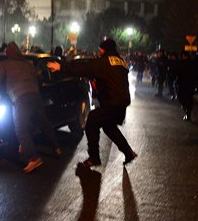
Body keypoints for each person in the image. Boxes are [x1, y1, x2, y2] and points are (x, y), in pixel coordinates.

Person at [47, 38, 137, 168]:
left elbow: (83, 69)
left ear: (104, 49)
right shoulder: (121, 62)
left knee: (91, 122)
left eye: (101, 49)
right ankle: (128, 152)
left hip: (112, 102)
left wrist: (61, 66)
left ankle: (94, 157)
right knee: (109, 127)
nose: (99, 51)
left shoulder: (103, 62)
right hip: (121, 102)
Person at [0, 42, 61, 173]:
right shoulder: (28, 64)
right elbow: (36, 78)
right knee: (43, 123)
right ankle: (56, 147)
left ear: (7, 54)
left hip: (20, 98)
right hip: (35, 96)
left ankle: (33, 158)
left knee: (20, 128)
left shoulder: (3, 64)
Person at [175, 51, 198, 121]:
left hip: (186, 83)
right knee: (185, 98)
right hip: (186, 83)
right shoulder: (189, 63)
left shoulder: (188, 63)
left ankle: (187, 112)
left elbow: (195, 74)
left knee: (185, 98)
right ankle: (187, 111)